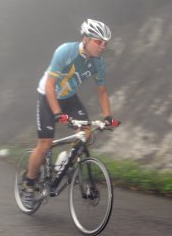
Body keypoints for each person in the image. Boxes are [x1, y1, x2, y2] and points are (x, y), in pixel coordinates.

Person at [22, 19, 120, 208]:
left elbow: (102, 91)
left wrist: (107, 116)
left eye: (105, 43)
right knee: (44, 144)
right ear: (85, 39)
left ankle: (66, 164)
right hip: (47, 95)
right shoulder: (65, 51)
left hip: (69, 98)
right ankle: (29, 184)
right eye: (98, 42)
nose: (102, 47)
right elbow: (50, 85)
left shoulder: (98, 64)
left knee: (87, 132)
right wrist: (58, 114)